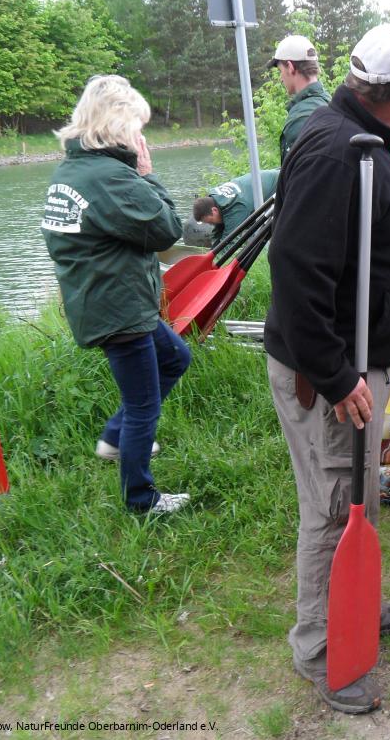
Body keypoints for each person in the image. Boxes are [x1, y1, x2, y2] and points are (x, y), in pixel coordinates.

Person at [264, 23, 390, 713]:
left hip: (355, 361)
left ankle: (355, 606)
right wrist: (338, 377)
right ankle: (323, 651)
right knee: (332, 507)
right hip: (331, 373)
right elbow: (295, 271)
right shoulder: (336, 153)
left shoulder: (364, 139)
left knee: (355, 495)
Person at [40, 74, 191, 515]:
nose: (141, 137)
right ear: (119, 126)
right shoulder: (110, 178)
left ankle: (114, 438)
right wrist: (148, 173)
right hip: (119, 308)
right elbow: (167, 230)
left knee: (175, 358)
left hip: (100, 301)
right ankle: (141, 499)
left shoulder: (71, 171)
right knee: (144, 406)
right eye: (138, 127)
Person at [268, 34, 331, 164]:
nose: (281, 78)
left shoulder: (300, 120)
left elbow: (296, 174)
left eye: (280, 71)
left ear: (290, 67)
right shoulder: (329, 101)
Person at [187, 169, 279, 246]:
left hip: (280, 183)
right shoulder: (215, 199)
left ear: (214, 210)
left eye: (210, 221)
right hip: (270, 177)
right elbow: (219, 231)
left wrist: (215, 259)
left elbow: (230, 241)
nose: (211, 224)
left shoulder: (236, 208)